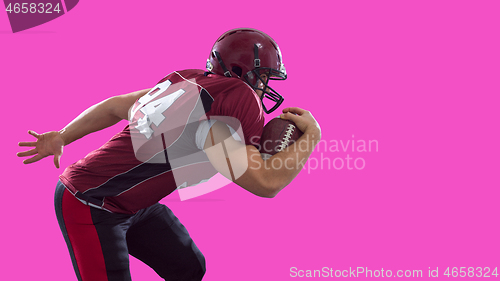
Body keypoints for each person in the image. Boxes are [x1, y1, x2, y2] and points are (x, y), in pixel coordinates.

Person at [17, 28, 321, 281]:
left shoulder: (187, 86)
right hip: (90, 202)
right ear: (243, 72)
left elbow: (114, 105)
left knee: (188, 267)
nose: (266, 87)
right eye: (264, 78)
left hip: (132, 203)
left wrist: (63, 135)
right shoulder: (215, 125)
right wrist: (312, 137)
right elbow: (266, 183)